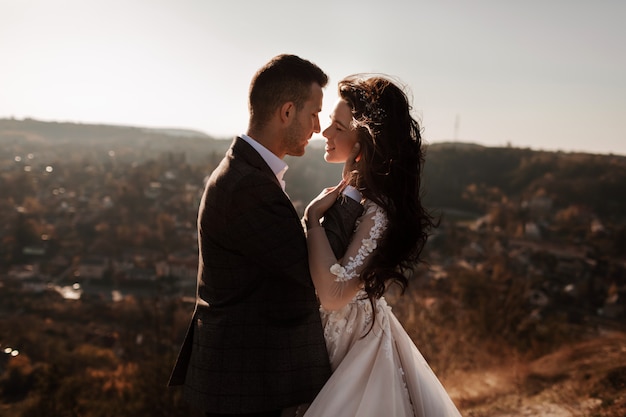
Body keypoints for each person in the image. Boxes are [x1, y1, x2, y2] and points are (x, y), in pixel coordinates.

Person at [168, 55, 363, 417]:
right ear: (287, 112)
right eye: (314, 113)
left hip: (250, 378)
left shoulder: (248, 173)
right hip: (250, 383)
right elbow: (315, 273)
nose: (319, 127)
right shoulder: (246, 185)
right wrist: (353, 191)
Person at [300, 75, 463, 416]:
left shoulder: (379, 208)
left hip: (353, 346)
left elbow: (334, 295)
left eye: (338, 127)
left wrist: (312, 220)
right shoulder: (354, 195)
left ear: (365, 144)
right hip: (331, 338)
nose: (325, 133)